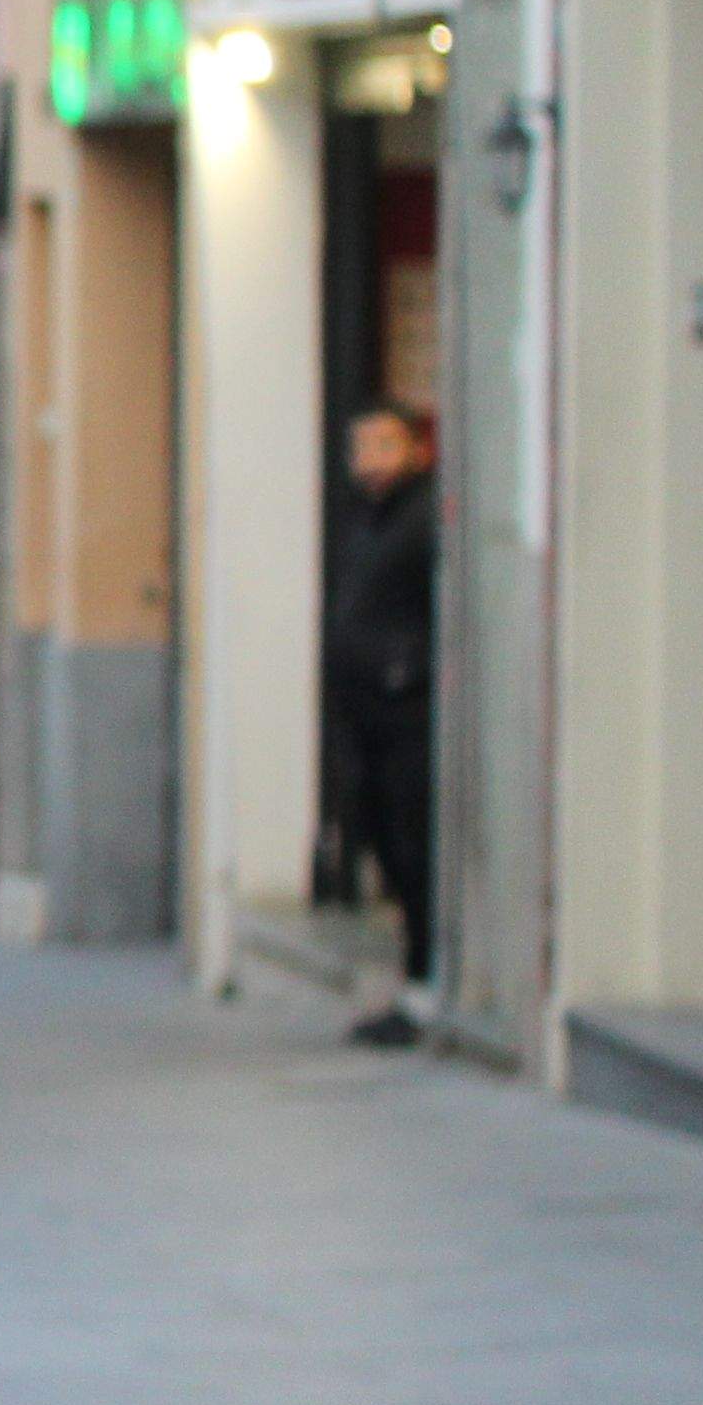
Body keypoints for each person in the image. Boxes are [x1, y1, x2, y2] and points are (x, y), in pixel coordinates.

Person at [329, 398, 441, 1046]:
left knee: (412, 849)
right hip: (367, 717)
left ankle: (425, 991)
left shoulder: (424, 517)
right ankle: (412, 985)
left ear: (416, 450)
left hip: (407, 718)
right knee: (386, 850)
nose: (370, 460)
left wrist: (407, 671)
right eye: (361, 447)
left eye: (385, 445)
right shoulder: (366, 519)